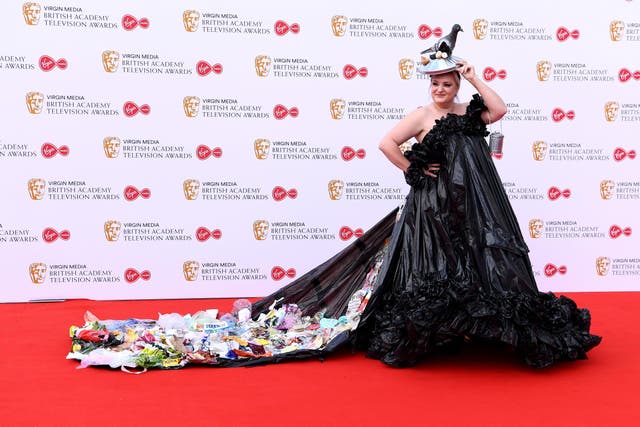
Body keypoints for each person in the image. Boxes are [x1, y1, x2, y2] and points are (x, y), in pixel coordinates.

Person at [68, 41, 601, 371]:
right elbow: (386, 145)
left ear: (456, 81)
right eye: (436, 82)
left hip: (480, 207)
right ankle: (436, 331)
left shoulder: (470, 108)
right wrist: (415, 170)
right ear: (427, 85)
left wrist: (474, 70)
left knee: (482, 259)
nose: (441, 89)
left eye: (448, 82)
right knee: (433, 266)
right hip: (433, 206)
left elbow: (501, 110)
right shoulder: (419, 115)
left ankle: (475, 327)